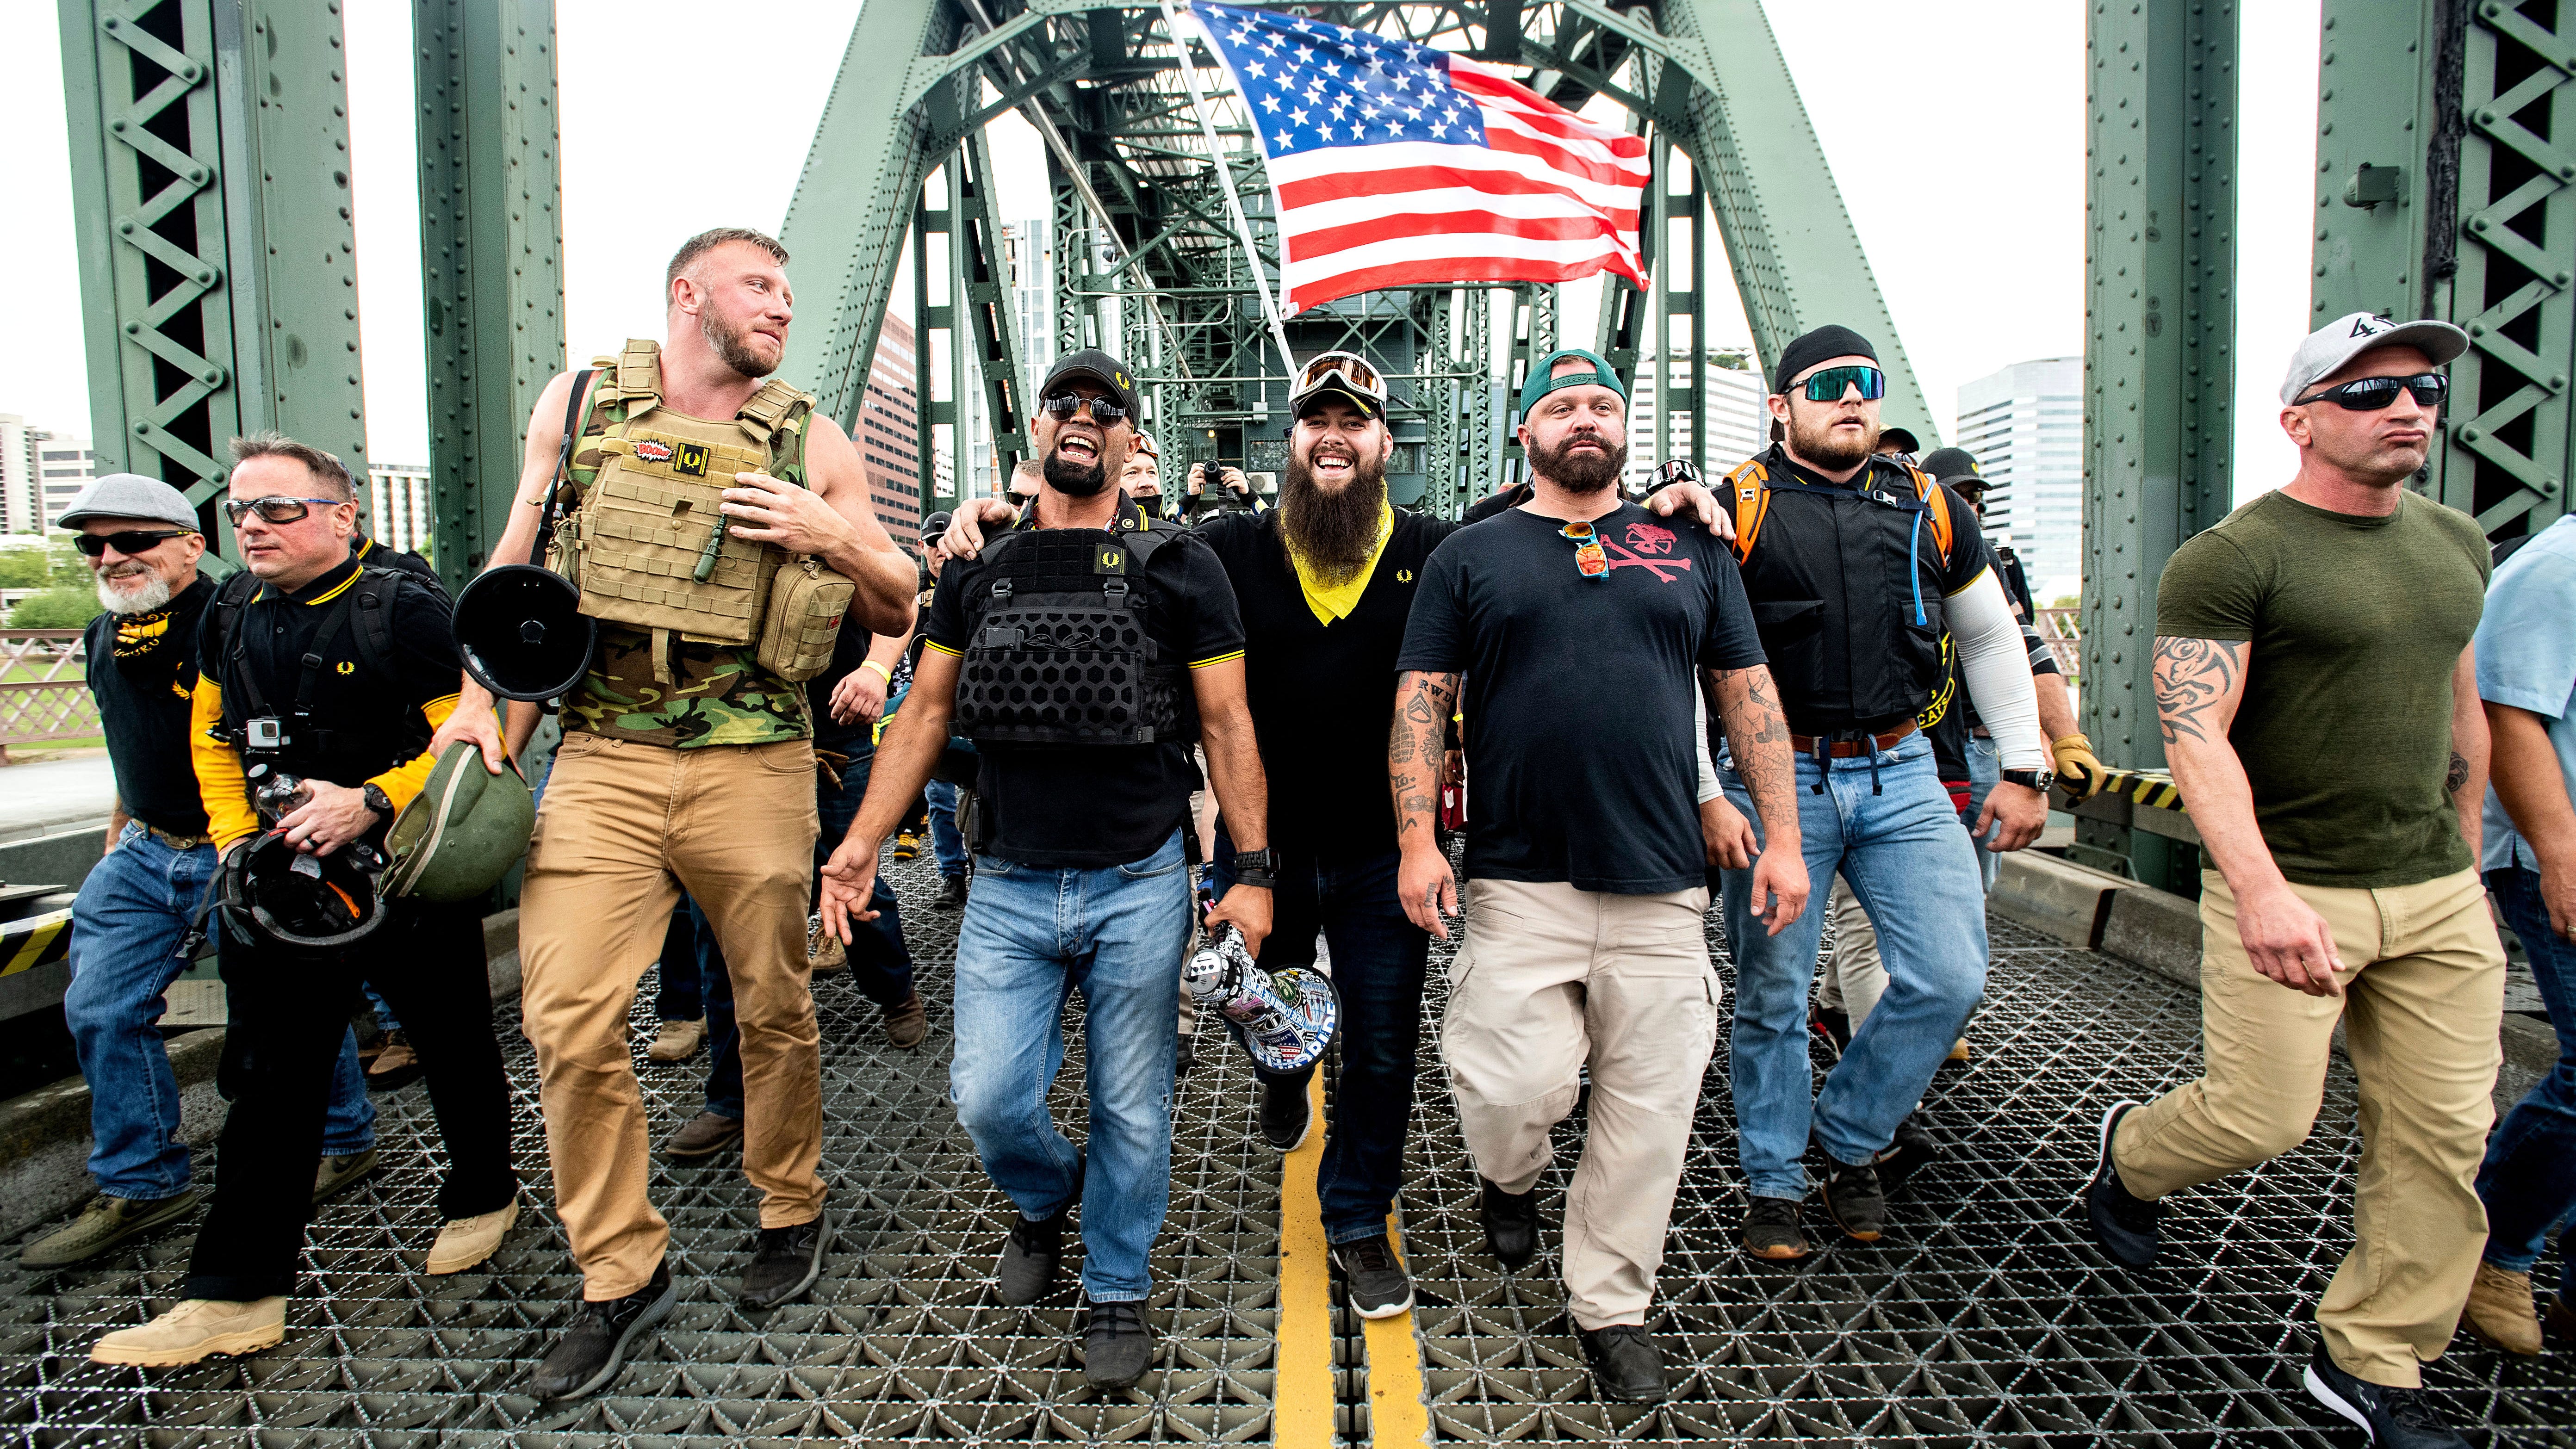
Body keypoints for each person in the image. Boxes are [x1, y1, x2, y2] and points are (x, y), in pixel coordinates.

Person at [941, 351, 1730, 1318]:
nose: (1334, 436)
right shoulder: (1225, 548)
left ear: (1385, 443)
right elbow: (1107, 532)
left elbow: (1557, 516)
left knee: (1387, 1048)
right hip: (1262, 847)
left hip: (1381, 850)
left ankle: (1357, 1216)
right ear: (1291, 441)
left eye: (1355, 421)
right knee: (1267, 1014)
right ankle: (1286, 1068)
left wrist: (1668, 500)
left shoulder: (1442, 550)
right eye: (1316, 419)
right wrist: (991, 516)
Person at [426, 226, 918, 1400]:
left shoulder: (811, 438)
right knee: (569, 1016)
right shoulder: (585, 403)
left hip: (752, 754)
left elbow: (902, 593)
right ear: (688, 295)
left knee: (773, 1003)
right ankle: (618, 1269)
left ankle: (788, 1203)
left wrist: (829, 534)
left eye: (793, 293)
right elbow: (517, 567)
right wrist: (472, 718)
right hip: (602, 751)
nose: (784, 309)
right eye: (761, 287)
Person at [2082, 313, 2500, 1448]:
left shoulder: (2457, 542)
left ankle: (2372, 1359)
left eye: (2420, 389)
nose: (2407, 409)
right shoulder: (2235, 558)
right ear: (2301, 421)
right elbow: (2195, 732)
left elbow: (2461, 710)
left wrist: (2464, 849)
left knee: (2441, 1136)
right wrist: (2260, 890)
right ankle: (2131, 1156)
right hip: (2292, 881)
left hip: (2436, 893)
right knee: (2265, 1118)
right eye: (2368, 394)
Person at [819, 347, 1273, 1391]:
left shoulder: (1179, 566)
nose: (1083, 416)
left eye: (1106, 406)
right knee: (989, 1099)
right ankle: (1044, 1198)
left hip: (1139, 879)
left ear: (1131, 441)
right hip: (1009, 881)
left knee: (1134, 1103)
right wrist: (857, 844)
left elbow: (1225, 720)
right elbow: (927, 711)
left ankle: (1116, 1281)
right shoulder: (978, 567)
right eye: (1063, 401)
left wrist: (1248, 867)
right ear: (1035, 431)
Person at [1392, 348, 1806, 1404]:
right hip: (1521, 879)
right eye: (1562, 405)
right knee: (1512, 1088)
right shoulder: (1473, 555)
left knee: (1650, 1111)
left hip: (1663, 885)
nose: (1586, 418)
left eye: (1604, 404)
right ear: (1526, 432)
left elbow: (1748, 697)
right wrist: (1416, 843)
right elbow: (1422, 702)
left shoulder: (1690, 546)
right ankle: (1511, 1174)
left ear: (1626, 427)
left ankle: (1611, 1303)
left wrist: (1786, 838)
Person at [86, 437, 519, 1367]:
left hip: (402, 879)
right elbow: (212, 732)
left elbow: (472, 738)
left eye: (278, 509)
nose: (252, 526)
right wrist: (236, 838)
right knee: (271, 1080)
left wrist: (367, 801)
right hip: (283, 886)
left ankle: (484, 1192)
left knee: (453, 1042)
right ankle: (235, 1295)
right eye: (239, 511)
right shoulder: (232, 610)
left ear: (340, 515)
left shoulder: (404, 608)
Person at [1713, 326, 2050, 1263]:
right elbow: (1686, 649)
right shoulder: (1735, 506)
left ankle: (1851, 1133)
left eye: (1865, 382)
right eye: (1826, 386)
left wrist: (2025, 767)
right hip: (1785, 782)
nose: (1852, 397)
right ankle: (1775, 1181)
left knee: (1951, 974)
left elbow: (1988, 639)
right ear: (1781, 407)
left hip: (1902, 773)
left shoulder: (1930, 505)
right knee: (1774, 992)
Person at [22, 476, 379, 1271]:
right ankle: (143, 1184)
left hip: (249, 845)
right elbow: (133, 746)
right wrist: (120, 832)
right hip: (147, 851)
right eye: (94, 545)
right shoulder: (101, 637)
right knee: (102, 1008)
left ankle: (344, 1139)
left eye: (135, 540)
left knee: (288, 1006)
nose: (112, 558)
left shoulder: (241, 620)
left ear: (192, 544)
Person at [2462, 510, 2576, 1357]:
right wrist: (2560, 852)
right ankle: (2494, 1249)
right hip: (2556, 854)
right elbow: (2502, 710)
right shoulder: (2561, 566)